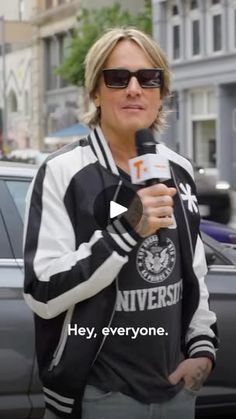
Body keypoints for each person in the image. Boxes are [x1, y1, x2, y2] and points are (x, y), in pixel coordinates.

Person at [23, 27, 218, 419]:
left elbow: (194, 274)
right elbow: (41, 292)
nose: (134, 89)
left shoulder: (177, 169)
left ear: (161, 92)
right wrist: (128, 229)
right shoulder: (63, 172)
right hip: (96, 397)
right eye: (117, 78)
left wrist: (202, 353)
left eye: (148, 78)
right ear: (95, 92)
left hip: (176, 393)